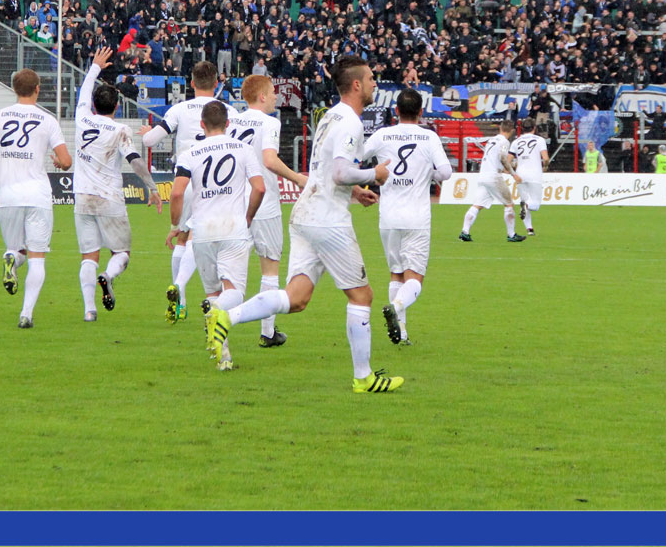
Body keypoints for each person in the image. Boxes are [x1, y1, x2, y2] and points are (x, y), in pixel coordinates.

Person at [206, 55, 405, 394]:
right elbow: (340, 171)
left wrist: (356, 191)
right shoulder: (352, 123)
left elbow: (329, 170)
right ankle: (364, 377)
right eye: (371, 78)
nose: (375, 83)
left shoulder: (330, 116)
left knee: (296, 298)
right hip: (328, 221)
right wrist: (375, 174)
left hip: (305, 213)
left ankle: (228, 317)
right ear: (356, 84)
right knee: (362, 295)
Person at [0, 67, 73, 329]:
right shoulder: (47, 119)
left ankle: (11, 260)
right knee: (37, 257)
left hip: (8, 196)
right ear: (37, 89)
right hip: (37, 196)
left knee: (17, 250)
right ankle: (26, 314)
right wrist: (59, 165)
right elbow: (66, 160)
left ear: (15, 89)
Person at [141, 61, 239, 323]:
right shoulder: (228, 110)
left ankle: (179, 301)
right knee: (201, 237)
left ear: (192, 83)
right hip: (216, 183)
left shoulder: (179, 109)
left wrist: (146, 133)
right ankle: (191, 290)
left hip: (184, 180)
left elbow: (149, 141)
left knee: (182, 238)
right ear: (216, 83)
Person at [170, 103, 265, 371]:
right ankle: (215, 315)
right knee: (234, 292)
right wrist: (249, 215)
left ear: (202, 124)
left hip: (202, 232)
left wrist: (176, 224)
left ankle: (223, 357)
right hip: (233, 228)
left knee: (213, 291)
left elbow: (177, 193)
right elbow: (259, 187)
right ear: (228, 124)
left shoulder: (190, 153)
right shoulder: (243, 149)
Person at [71, 47, 161, 323]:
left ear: (95, 106)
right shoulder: (120, 130)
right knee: (121, 253)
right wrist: (153, 187)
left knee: (89, 255)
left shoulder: (82, 118)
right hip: (109, 198)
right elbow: (134, 160)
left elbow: (84, 93)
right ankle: (108, 276)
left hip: (82, 197)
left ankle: (89, 310)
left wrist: (95, 67)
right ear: (117, 107)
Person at [358, 87, 451, 346]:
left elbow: (357, 157)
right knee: (415, 279)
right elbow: (445, 172)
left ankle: (403, 333)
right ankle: (397, 307)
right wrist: (427, 174)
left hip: (388, 217)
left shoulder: (383, 134)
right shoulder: (428, 137)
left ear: (396, 111)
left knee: (395, 273)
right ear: (420, 112)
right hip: (417, 218)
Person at [227, 74, 308, 348]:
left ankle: (219, 319)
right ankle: (267, 332)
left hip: (235, 202)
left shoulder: (233, 120)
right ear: (262, 96)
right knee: (270, 268)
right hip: (263, 203)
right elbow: (269, 160)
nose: (276, 97)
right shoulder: (270, 122)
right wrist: (297, 178)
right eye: (273, 92)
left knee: (233, 271)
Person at [459, 120, 523, 243]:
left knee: (477, 205)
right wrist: (513, 174)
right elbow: (503, 157)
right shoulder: (504, 142)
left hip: (483, 175)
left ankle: (464, 232)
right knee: (509, 204)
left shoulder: (491, 140)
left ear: (500, 129)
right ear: (512, 130)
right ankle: (511, 234)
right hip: (493, 177)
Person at [508, 122, 549, 238]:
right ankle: (525, 208)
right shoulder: (540, 140)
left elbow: (508, 159)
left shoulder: (516, 141)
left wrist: (512, 172)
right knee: (534, 205)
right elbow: (545, 158)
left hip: (520, 174)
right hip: (534, 174)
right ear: (534, 128)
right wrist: (545, 166)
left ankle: (529, 229)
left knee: (525, 201)